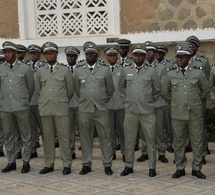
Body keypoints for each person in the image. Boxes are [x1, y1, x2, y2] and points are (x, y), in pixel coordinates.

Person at [161, 42, 209, 179]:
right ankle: (180, 167)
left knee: (197, 141)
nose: (179, 59)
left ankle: (196, 168)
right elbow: (164, 91)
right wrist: (175, 102)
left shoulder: (198, 73)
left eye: (182, 57)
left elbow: (205, 90)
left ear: (188, 58)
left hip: (194, 113)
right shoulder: (171, 74)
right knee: (179, 141)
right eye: (178, 57)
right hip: (177, 113)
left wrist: (196, 102)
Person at [73, 42, 114, 175]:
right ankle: (86, 164)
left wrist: (101, 100)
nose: (90, 56)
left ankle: (107, 164)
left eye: (93, 54)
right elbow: (76, 89)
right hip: (85, 109)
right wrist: (85, 99)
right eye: (88, 54)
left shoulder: (104, 70)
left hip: (101, 108)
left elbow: (110, 89)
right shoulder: (78, 70)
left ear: (97, 56)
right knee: (85, 137)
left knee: (105, 137)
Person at [119, 43, 160, 177]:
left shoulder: (151, 71)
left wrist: (147, 100)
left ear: (144, 56)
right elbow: (121, 87)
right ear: (133, 56)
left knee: (150, 140)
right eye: (136, 54)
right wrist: (130, 98)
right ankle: (129, 165)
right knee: (129, 140)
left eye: (141, 55)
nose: (138, 57)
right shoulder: (126, 70)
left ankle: (152, 167)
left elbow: (157, 89)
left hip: (147, 111)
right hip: (131, 111)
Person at [36, 42, 74, 175]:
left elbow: (70, 90)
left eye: (51, 52)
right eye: (46, 53)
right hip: (46, 108)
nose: (49, 55)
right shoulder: (40, 71)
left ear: (56, 54)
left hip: (61, 109)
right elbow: (38, 89)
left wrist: (60, 100)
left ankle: (67, 164)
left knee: (64, 137)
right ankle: (49, 164)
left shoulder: (65, 71)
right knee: (48, 138)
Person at [0, 41, 35, 173]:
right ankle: (11, 161)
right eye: (5, 52)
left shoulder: (25, 68)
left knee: (26, 134)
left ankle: (26, 161)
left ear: (15, 53)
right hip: (6, 108)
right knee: (9, 135)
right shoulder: (1, 69)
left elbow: (31, 87)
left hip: (21, 106)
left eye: (9, 52)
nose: (7, 54)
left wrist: (24, 100)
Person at [137, 41, 168, 164]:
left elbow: (162, 85)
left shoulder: (162, 68)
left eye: (151, 51)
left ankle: (161, 152)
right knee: (144, 130)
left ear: (155, 54)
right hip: (144, 104)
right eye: (147, 51)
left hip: (158, 102)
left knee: (159, 129)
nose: (149, 54)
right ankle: (145, 152)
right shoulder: (140, 67)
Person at [186, 35, 211, 163]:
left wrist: (200, 99)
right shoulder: (181, 60)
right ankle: (186, 151)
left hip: (198, 100)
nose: (191, 48)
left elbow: (205, 83)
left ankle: (202, 153)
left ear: (197, 48)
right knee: (184, 125)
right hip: (185, 100)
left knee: (200, 126)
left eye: (193, 46)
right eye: (189, 45)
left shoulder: (203, 62)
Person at [105, 46, 125, 161]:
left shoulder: (123, 69)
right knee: (109, 131)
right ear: (106, 57)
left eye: (114, 55)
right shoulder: (103, 69)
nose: (112, 57)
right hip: (107, 105)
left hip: (120, 104)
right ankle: (111, 151)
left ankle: (125, 152)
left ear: (117, 57)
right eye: (110, 55)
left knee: (123, 130)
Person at [156, 44, 174, 153]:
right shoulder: (149, 65)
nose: (159, 55)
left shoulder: (169, 65)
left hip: (166, 99)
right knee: (158, 126)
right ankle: (159, 145)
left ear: (164, 54)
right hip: (155, 98)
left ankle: (170, 143)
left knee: (168, 124)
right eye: (157, 53)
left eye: (161, 53)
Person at [28, 44, 45, 158]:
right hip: (29, 102)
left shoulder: (44, 66)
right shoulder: (25, 66)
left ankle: (47, 151)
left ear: (39, 54)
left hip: (41, 102)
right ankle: (33, 149)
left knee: (44, 128)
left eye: (35, 53)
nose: (33, 55)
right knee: (31, 128)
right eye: (31, 53)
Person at [64, 46, 81, 160]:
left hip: (80, 104)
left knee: (84, 129)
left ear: (76, 57)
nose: (70, 58)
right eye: (68, 56)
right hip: (68, 104)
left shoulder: (81, 69)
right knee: (68, 130)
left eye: (72, 56)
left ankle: (85, 148)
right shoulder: (63, 69)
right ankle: (70, 151)